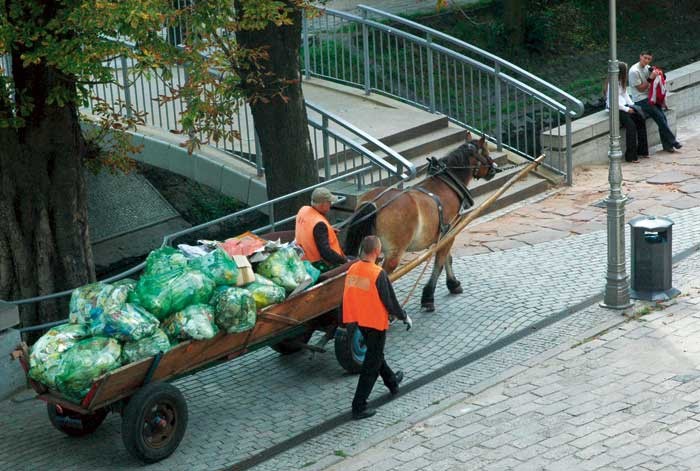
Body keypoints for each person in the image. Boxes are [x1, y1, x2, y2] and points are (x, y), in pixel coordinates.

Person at [342, 235, 412, 420]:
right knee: (371, 365)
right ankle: (359, 406)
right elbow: (390, 301)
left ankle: (392, 381)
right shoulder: (377, 273)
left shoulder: (353, 269)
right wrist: (403, 316)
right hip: (375, 323)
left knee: (376, 355)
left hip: (359, 322)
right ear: (376, 252)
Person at [628, 51, 682, 153]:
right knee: (660, 117)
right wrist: (650, 78)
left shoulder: (647, 67)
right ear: (640, 56)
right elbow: (640, 89)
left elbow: (659, 81)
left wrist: (658, 74)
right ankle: (673, 141)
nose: (646, 60)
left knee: (663, 118)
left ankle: (667, 146)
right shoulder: (634, 71)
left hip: (650, 97)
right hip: (640, 99)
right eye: (645, 58)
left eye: (649, 59)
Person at [295, 187, 347, 271]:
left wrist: (329, 231)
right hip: (317, 265)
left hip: (303, 258)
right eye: (329, 202)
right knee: (352, 262)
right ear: (322, 204)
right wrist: (344, 261)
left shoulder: (303, 210)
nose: (330, 204)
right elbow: (326, 253)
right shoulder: (319, 224)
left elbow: (308, 230)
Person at [605, 62, 649, 163]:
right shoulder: (612, 84)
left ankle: (643, 151)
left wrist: (632, 105)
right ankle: (631, 156)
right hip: (617, 109)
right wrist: (626, 109)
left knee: (641, 120)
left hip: (625, 106)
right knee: (631, 127)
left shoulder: (621, 81)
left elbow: (625, 95)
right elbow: (612, 102)